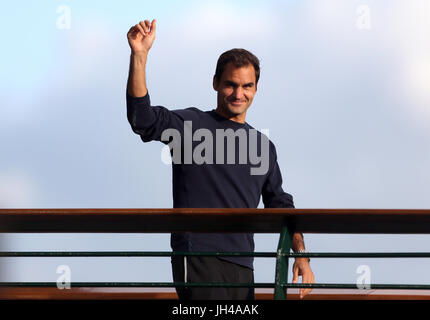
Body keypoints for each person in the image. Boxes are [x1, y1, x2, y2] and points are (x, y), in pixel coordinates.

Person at [126, 19, 315, 300]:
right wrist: (139, 56)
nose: (239, 94)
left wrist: (301, 256)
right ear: (215, 83)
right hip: (198, 252)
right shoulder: (190, 125)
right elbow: (142, 119)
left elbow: (280, 203)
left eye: (247, 86)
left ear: (256, 89)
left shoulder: (263, 145)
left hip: (242, 261)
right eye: (230, 85)